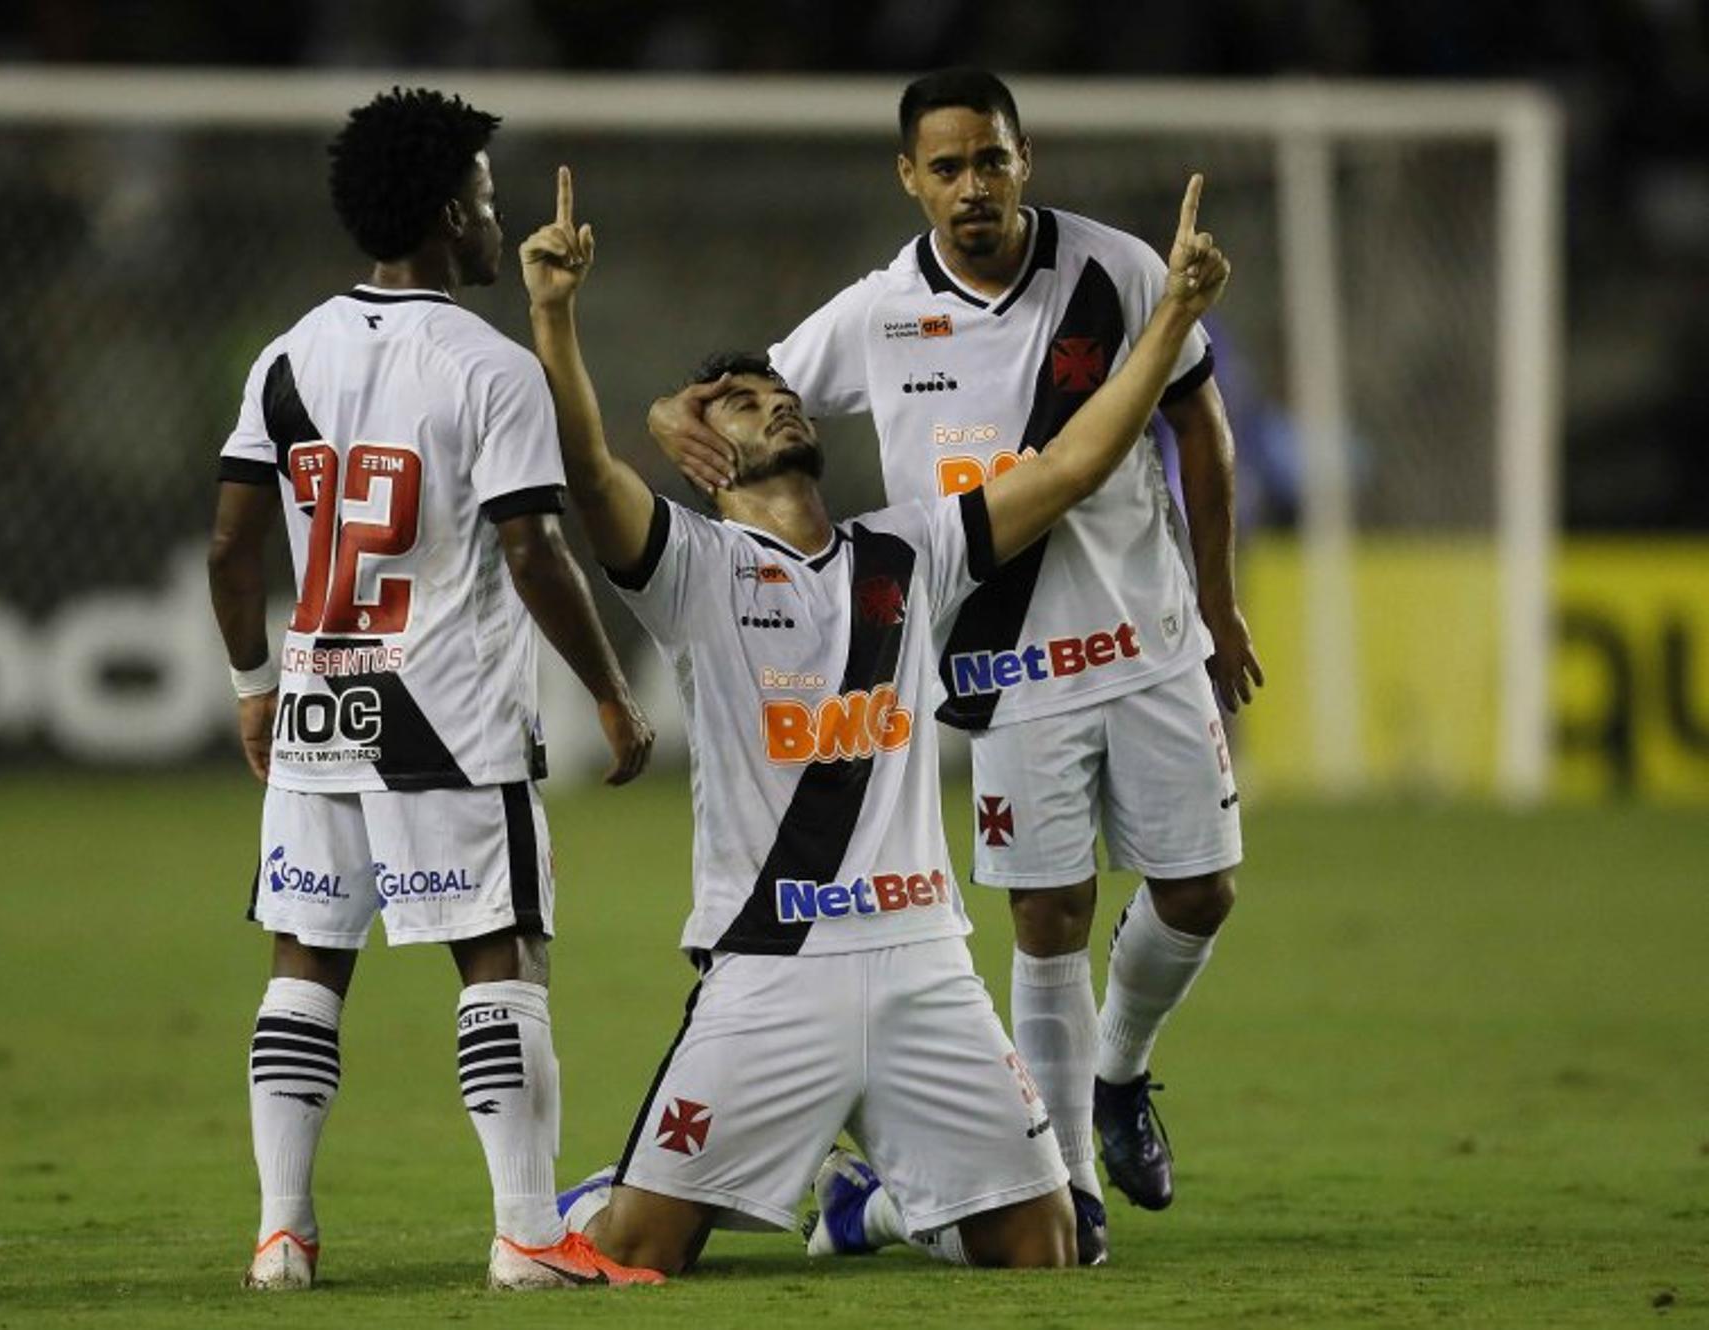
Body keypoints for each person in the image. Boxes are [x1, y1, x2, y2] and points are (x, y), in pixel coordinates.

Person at [519, 163, 1230, 1275]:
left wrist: (1176, 311)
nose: (779, 403)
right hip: (775, 963)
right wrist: (554, 318)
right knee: (638, 1253)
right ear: (711, 462)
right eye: (745, 404)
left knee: (1051, 1250)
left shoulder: (913, 546)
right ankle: (634, 1179)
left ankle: (861, 1199)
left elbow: (1083, 458)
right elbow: (586, 466)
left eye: (781, 393)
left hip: (923, 965)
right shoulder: (693, 567)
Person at [206, 87, 661, 1292]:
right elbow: (531, 548)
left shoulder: (286, 356)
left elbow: (230, 549)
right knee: (500, 957)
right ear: (452, 207)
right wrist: (612, 694)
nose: (493, 223)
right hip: (448, 719)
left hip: (318, 710)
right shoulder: (484, 366)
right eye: (487, 200)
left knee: (305, 962)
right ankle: (524, 1233)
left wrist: (255, 685)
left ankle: (282, 1236)